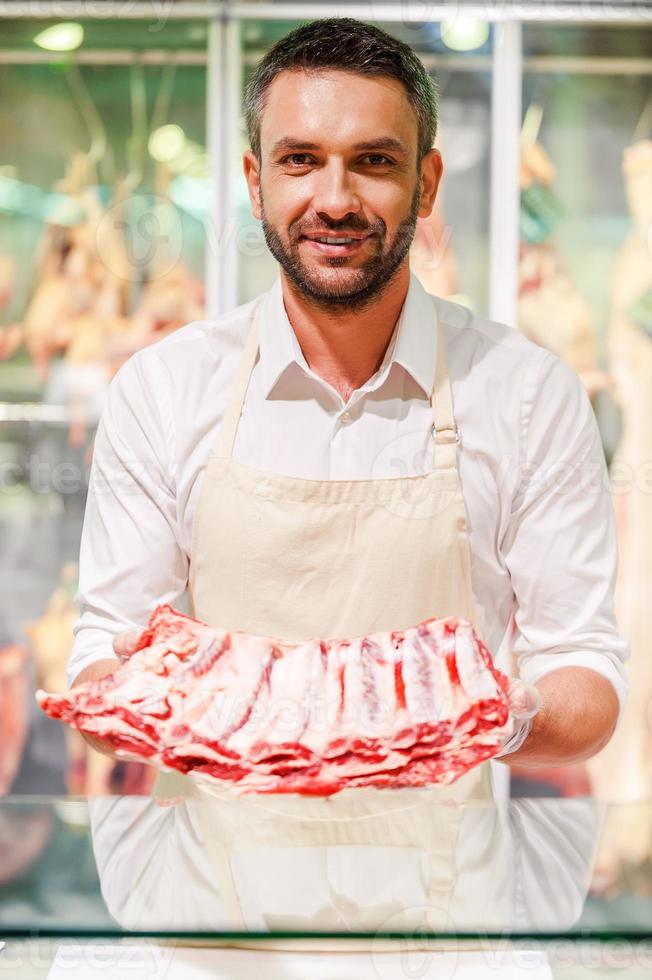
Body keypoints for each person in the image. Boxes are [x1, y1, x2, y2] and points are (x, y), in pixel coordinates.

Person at [68, 18, 627, 777]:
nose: (335, 200)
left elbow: (585, 675)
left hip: (445, 884)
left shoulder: (528, 393)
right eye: (300, 160)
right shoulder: (164, 388)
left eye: (373, 162)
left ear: (425, 184)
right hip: (222, 883)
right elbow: (103, 655)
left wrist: (497, 715)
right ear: (254, 180)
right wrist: (149, 689)